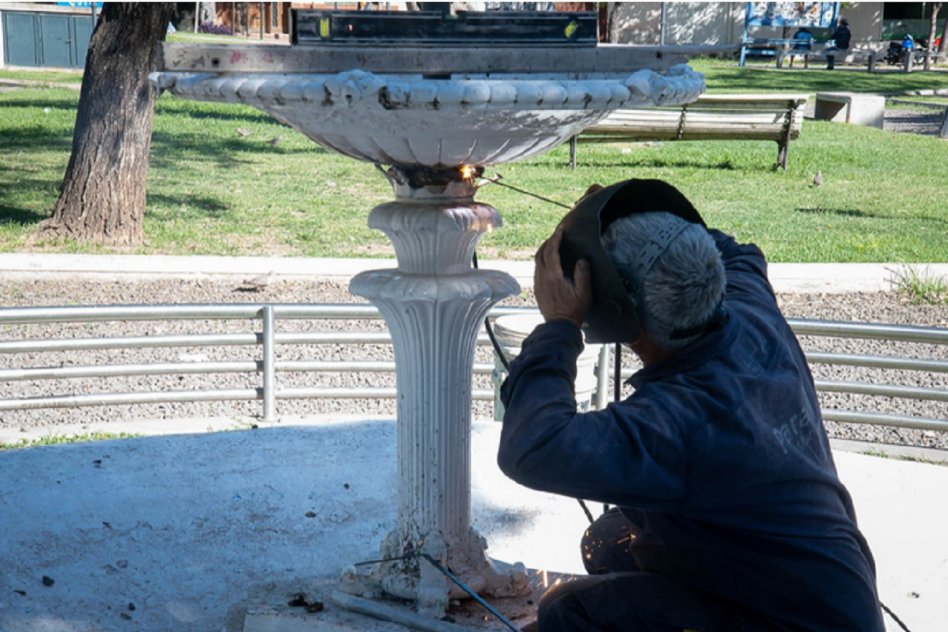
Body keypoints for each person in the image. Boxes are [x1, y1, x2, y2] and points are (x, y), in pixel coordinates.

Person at [497, 179, 884, 631]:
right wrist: (615, 219)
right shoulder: (749, 308)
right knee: (609, 543)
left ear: (620, 312)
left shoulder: (680, 422)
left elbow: (533, 446)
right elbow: (736, 251)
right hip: (827, 594)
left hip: (789, 622)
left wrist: (561, 326)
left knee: (566, 612)